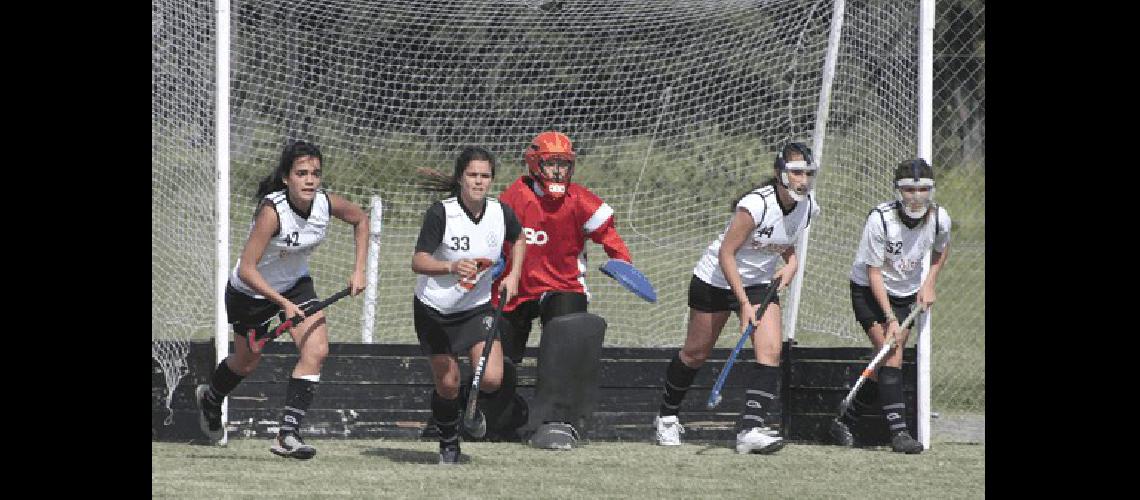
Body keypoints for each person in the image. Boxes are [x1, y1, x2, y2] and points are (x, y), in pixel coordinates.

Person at [195, 141, 369, 459]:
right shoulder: (272, 212)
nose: (310, 180)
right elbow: (247, 269)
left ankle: (287, 435)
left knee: (317, 349)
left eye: (315, 173)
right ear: (287, 178)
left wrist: (359, 270)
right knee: (247, 361)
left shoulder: (325, 204)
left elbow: (361, 220)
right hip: (250, 292)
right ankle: (211, 397)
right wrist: (281, 303)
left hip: (295, 286)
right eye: (301, 173)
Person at [651, 142, 820, 454]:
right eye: (796, 172)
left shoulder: (808, 206)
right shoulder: (755, 205)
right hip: (715, 278)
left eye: (808, 173)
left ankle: (749, 430)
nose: (803, 180)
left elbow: (786, 241)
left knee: (770, 352)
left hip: (758, 283)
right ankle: (667, 416)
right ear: (780, 173)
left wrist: (792, 264)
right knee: (695, 354)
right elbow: (727, 254)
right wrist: (743, 304)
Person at [491, 130, 633, 447]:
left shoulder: (580, 200)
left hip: (564, 284)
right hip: (516, 285)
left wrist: (621, 262)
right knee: (503, 359)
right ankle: (499, 419)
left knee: (568, 337)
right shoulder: (513, 197)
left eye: (564, 164)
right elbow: (494, 237)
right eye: (551, 163)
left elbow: (609, 236)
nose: (558, 171)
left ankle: (558, 421)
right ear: (534, 163)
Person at [412, 146, 526, 464]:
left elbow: (518, 239)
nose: (479, 181)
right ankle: (449, 441)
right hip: (435, 310)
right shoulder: (441, 213)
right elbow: (418, 260)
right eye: (473, 175)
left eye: (485, 176)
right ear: (461, 177)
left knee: (491, 378)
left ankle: (469, 411)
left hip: (476, 308)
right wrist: (450, 267)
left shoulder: (500, 212)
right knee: (447, 384)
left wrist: (513, 275)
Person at [828, 158, 950, 455]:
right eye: (909, 189)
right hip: (870, 291)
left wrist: (930, 282)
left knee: (885, 358)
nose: (916, 196)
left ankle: (845, 419)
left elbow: (941, 249)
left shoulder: (939, 218)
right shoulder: (880, 219)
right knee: (892, 354)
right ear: (898, 190)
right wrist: (889, 318)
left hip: (907, 293)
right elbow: (873, 273)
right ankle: (900, 434)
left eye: (923, 189)